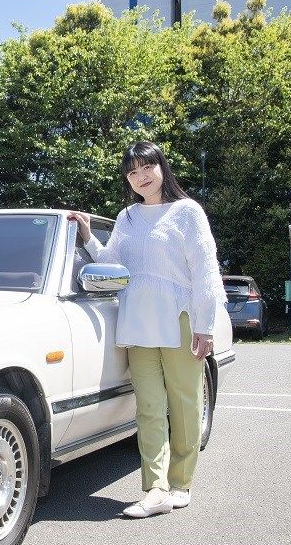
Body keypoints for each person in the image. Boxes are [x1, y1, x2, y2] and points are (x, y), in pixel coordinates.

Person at [70, 141, 226, 519]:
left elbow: (205, 268)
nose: (141, 176)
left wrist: (205, 326)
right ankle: (154, 489)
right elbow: (112, 262)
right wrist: (89, 236)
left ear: (162, 167)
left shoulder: (187, 212)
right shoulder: (127, 217)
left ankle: (180, 483)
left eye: (147, 167)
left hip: (179, 320)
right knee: (150, 408)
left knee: (184, 404)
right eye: (132, 172)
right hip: (136, 321)